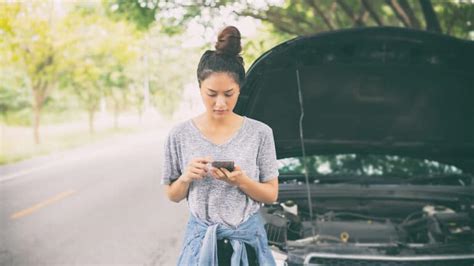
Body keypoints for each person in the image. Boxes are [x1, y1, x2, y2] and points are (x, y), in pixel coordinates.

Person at [161, 25, 279, 266]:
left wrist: (241, 181)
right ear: (199, 88)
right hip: (200, 245)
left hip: (247, 245)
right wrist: (185, 178)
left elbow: (271, 194)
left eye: (229, 93)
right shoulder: (179, 134)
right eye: (212, 93)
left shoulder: (260, 133)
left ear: (240, 89)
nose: (220, 103)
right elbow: (172, 195)